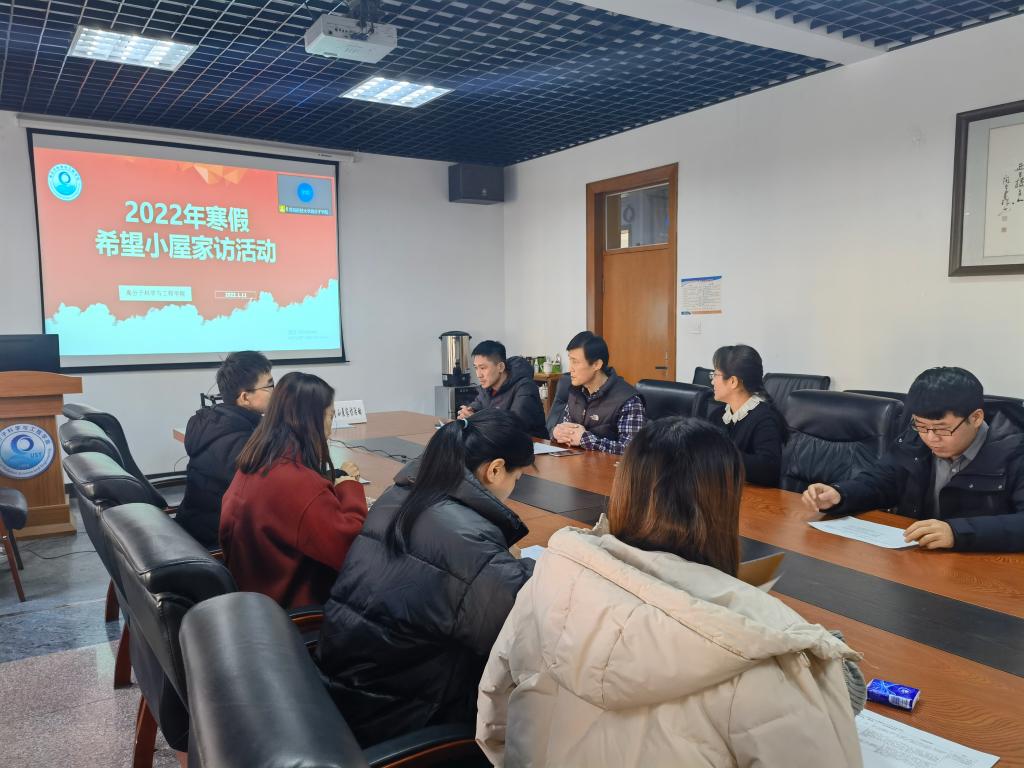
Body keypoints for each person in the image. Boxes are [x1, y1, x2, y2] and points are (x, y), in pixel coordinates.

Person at [477, 418, 864, 767]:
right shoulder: (767, 654)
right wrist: (823, 678)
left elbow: (494, 714)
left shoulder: (550, 581)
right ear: (725, 503)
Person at [317, 409, 535, 747]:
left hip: (344, 690)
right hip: (398, 716)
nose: (513, 487)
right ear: (495, 470)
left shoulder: (398, 497)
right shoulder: (467, 539)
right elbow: (520, 628)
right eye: (516, 478)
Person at [803, 367, 1024, 552]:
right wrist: (841, 494)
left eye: (942, 429)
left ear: (975, 418)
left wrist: (957, 532)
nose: (931, 438)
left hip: (981, 568)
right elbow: (882, 481)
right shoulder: (914, 438)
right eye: (921, 425)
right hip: (916, 557)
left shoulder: (1015, 451)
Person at [219, 372, 367, 608]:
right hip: (295, 613)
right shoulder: (296, 481)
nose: (330, 431)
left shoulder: (257, 461)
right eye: (330, 417)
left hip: (253, 602)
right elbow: (351, 551)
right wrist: (350, 487)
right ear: (312, 421)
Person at [176, 351, 273, 548]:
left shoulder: (216, 423)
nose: (276, 392)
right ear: (245, 397)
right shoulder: (240, 444)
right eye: (269, 386)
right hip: (218, 543)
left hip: (195, 527)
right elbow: (273, 492)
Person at [550, 332, 645, 454]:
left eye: (575, 362)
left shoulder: (629, 400)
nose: (570, 369)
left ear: (596, 364)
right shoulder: (576, 391)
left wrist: (585, 439)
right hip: (577, 462)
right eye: (570, 360)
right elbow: (568, 433)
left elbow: (631, 450)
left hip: (609, 466)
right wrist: (556, 433)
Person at [708, 344, 788, 487]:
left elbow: (769, 469)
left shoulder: (765, 418)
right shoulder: (718, 415)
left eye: (715, 375)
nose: (712, 381)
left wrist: (722, 455)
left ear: (733, 381)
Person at [458, 340, 547, 438]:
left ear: (500, 367)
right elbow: (475, 408)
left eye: (483, 368)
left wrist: (475, 421)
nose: (478, 375)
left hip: (530, 444)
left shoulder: (525, 387)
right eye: (476, 368)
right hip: (495, 442)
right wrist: (467, 414)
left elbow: (514, 427)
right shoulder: (486, 389)